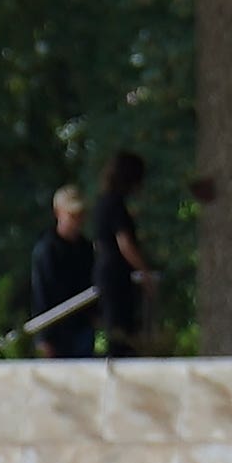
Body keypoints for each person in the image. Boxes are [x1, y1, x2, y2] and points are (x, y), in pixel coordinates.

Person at [20, 185, 106, 359]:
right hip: (55, 330)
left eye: (80, 214)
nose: (78, 219)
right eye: (72, 214)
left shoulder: (85, 247)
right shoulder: (47, 249)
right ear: (58, 212)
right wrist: (43, 338)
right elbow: (41, 294)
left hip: (82, 327)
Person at [94, 148, 162, 358]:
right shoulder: (116, 205)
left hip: (105, 270)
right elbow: (125, 245)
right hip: (116, 275)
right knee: (122, 333)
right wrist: (145, 272)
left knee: (117, 329)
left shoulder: (102, 203)